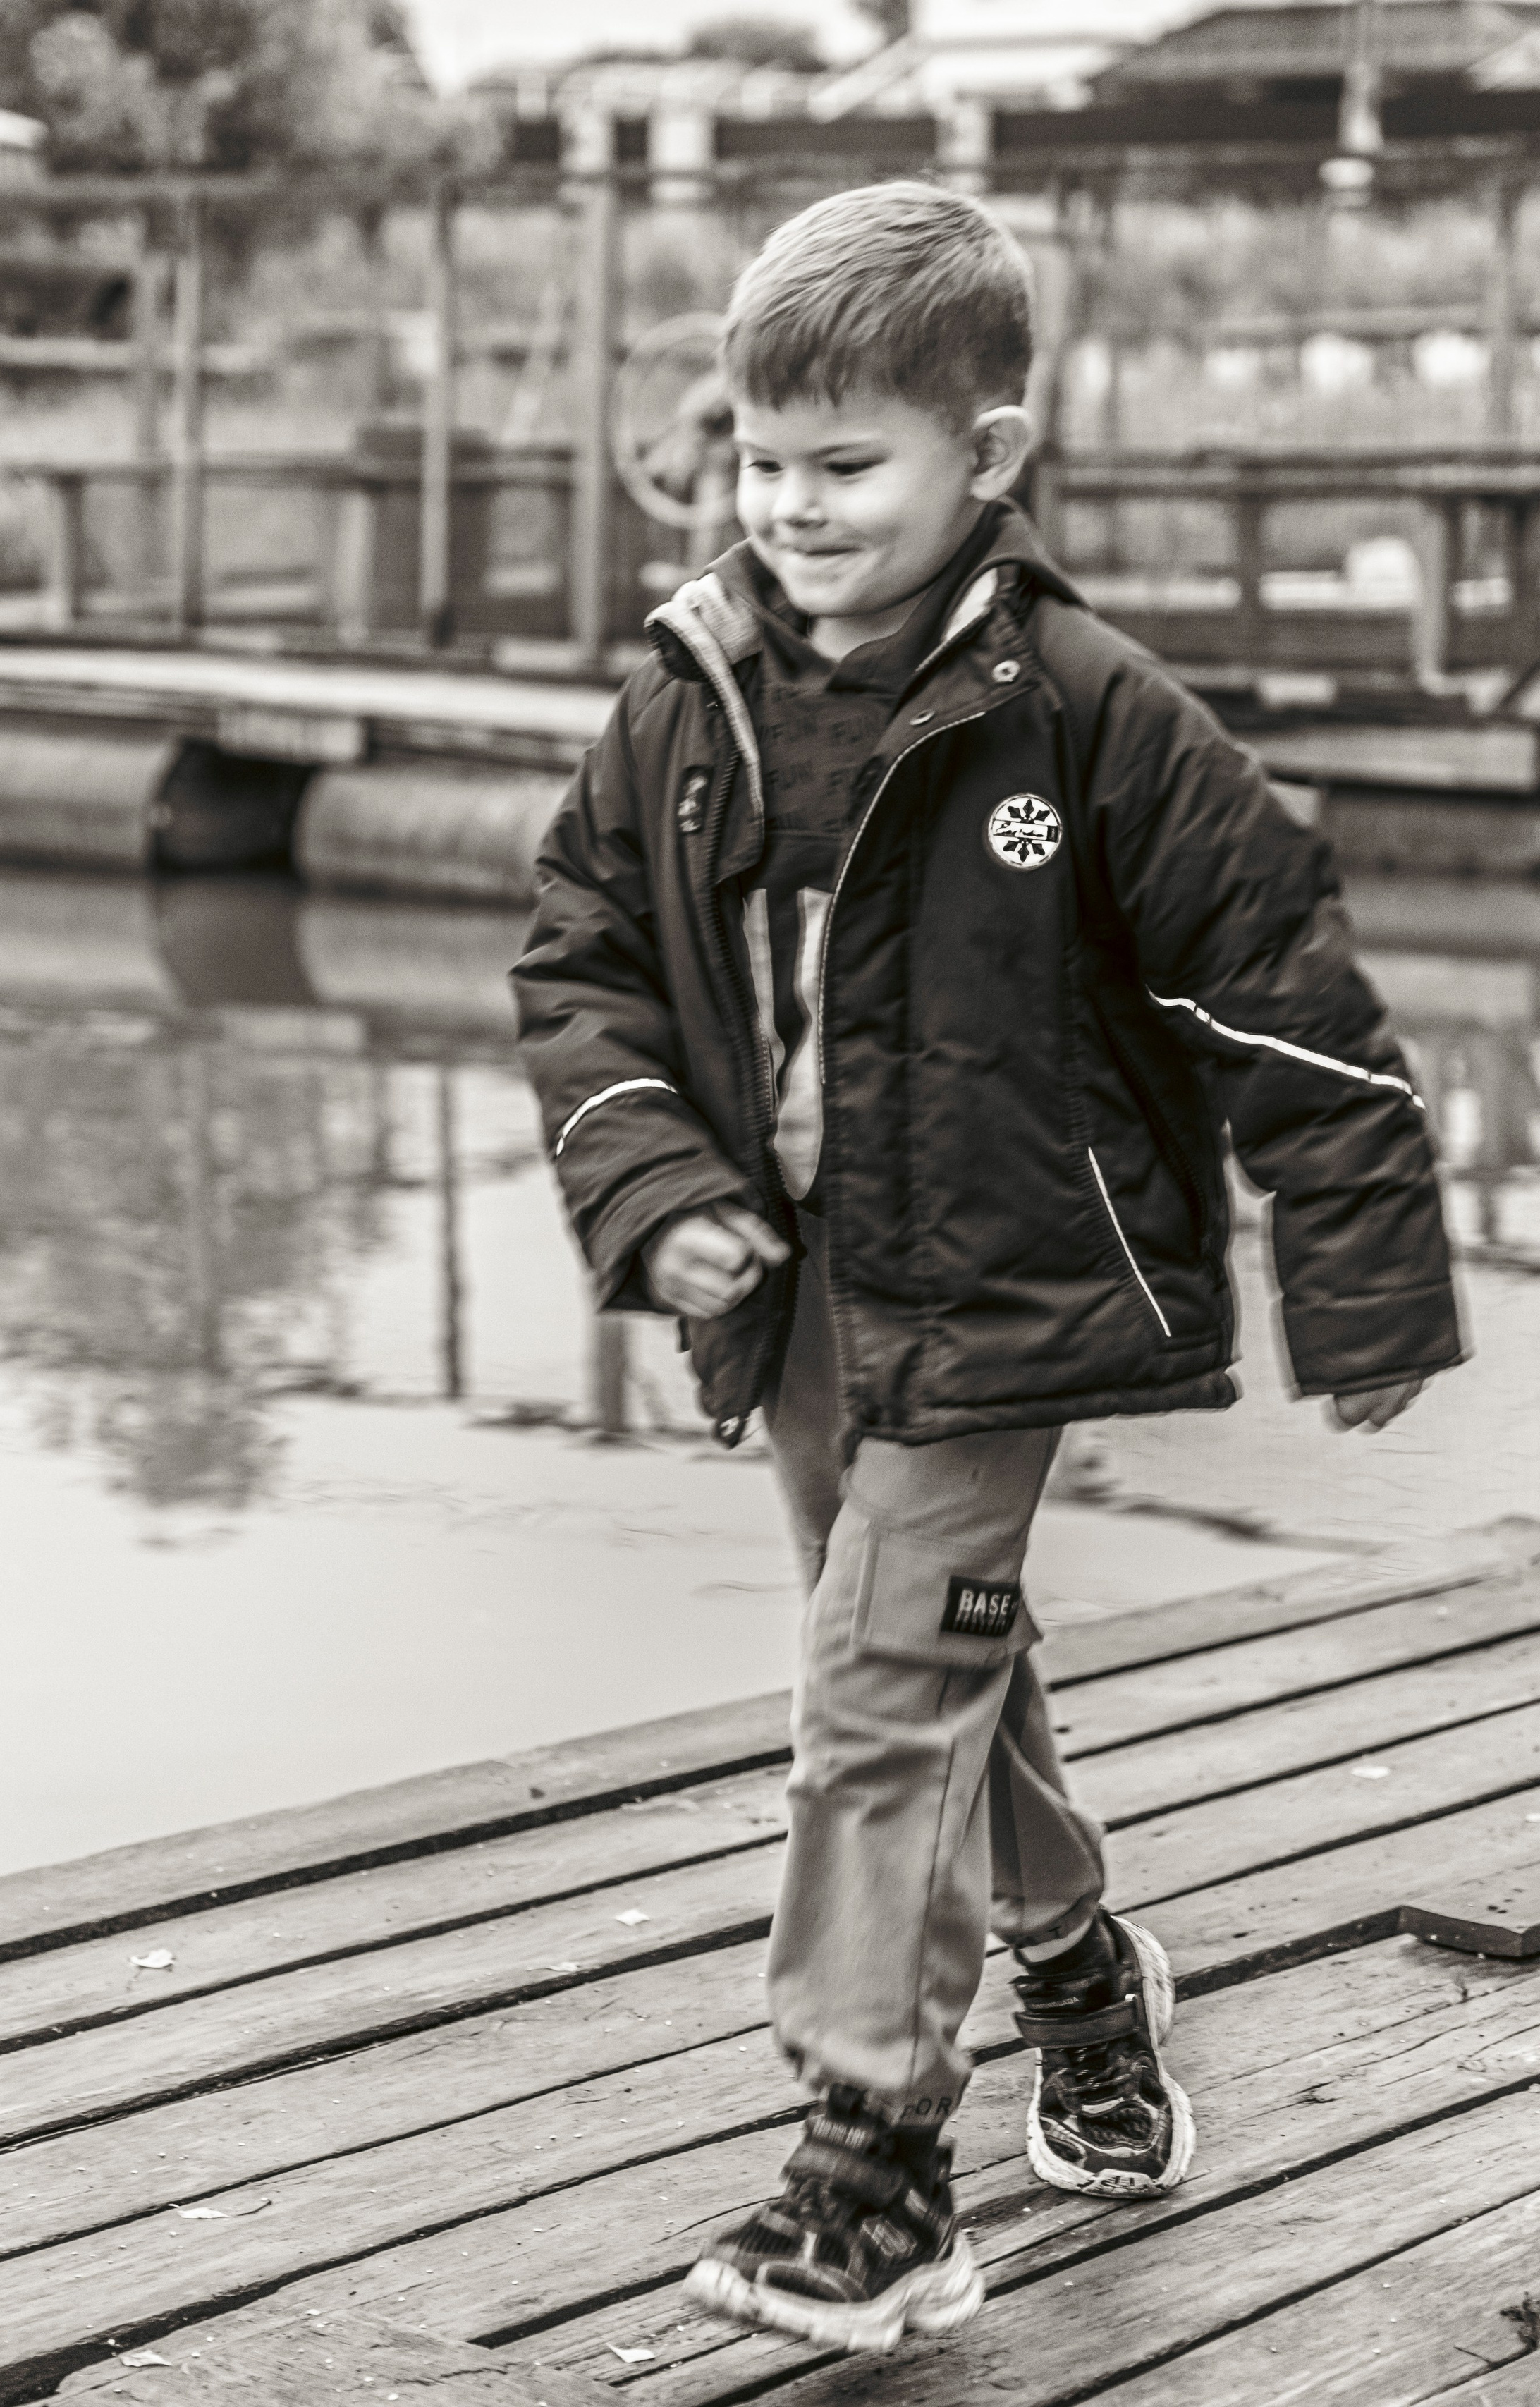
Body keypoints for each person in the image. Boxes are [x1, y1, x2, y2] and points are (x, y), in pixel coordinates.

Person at [511, 181, 1460, 2358]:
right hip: (801, 1288)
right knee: (937, 1657)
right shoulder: (688, 697)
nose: (796, 507)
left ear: (990, 458)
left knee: (871, 1695)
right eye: (764, 460)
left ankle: (874, 2173)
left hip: (1014, 1289)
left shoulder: (1094, 711)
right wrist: (652, 1185)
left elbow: (1275, 971)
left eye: (850, 467)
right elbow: (574, 961)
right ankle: (1079, 1978)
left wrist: (1368, 1269)